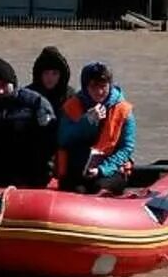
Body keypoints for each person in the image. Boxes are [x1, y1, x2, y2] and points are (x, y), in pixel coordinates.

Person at [55, 61, 136, 192]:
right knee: (77, 189)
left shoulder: (123, 110)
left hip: (109, 168)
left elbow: (127, 148)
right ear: (85, 86)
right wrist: (87, 121)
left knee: (99, 187)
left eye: (103, 86)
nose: (99, 91)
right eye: (93, 86)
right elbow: (63, 139)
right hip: (77, 167)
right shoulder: (71, 106)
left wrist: (102, 170)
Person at [0, 58, 58, 189]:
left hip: (31, 168)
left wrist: (45, 169)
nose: (0, 91)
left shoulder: (34, 103)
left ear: (13, 83)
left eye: (3, 85)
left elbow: (50, 140)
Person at [28, 46, 72, 112]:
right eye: (46, 73)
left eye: (55, 73)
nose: (50, 78)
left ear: (61, 75)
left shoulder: (70, 96)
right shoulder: (29, 95)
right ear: (40, 74)